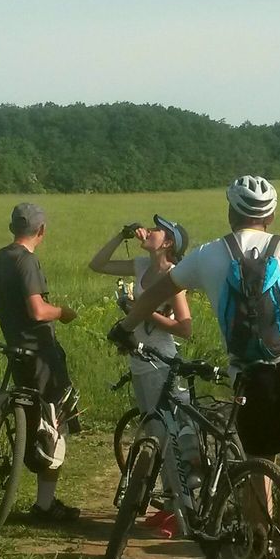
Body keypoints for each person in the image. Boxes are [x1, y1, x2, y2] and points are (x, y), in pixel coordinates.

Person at [108, 175, 280, 536]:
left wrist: (126, 326)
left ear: (230, 213)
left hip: (251, 374)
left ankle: (258, 554)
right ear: (270, 217)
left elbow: (152, 295)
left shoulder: (207, 254)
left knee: (258, 469)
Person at [0, 202, 81, 522]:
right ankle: (45, 505)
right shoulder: (27, 261)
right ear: (42, 230)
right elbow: (37, 311)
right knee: (54, 424)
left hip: (16, 353)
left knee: (30, 417)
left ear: (12, 228)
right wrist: (63, 312)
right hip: (42, 355)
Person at [89, 215, 192, 536]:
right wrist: (120, 236)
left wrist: (141, 309)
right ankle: (169, 504)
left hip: (161, 362)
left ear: (169, 242)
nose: (149, 231)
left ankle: (182, 510)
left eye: (158, 230)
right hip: (139, 360)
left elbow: (185, 328)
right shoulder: (141, 265)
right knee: (153, 434)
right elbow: (97, 264)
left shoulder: (173, 276)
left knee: (167, 436)